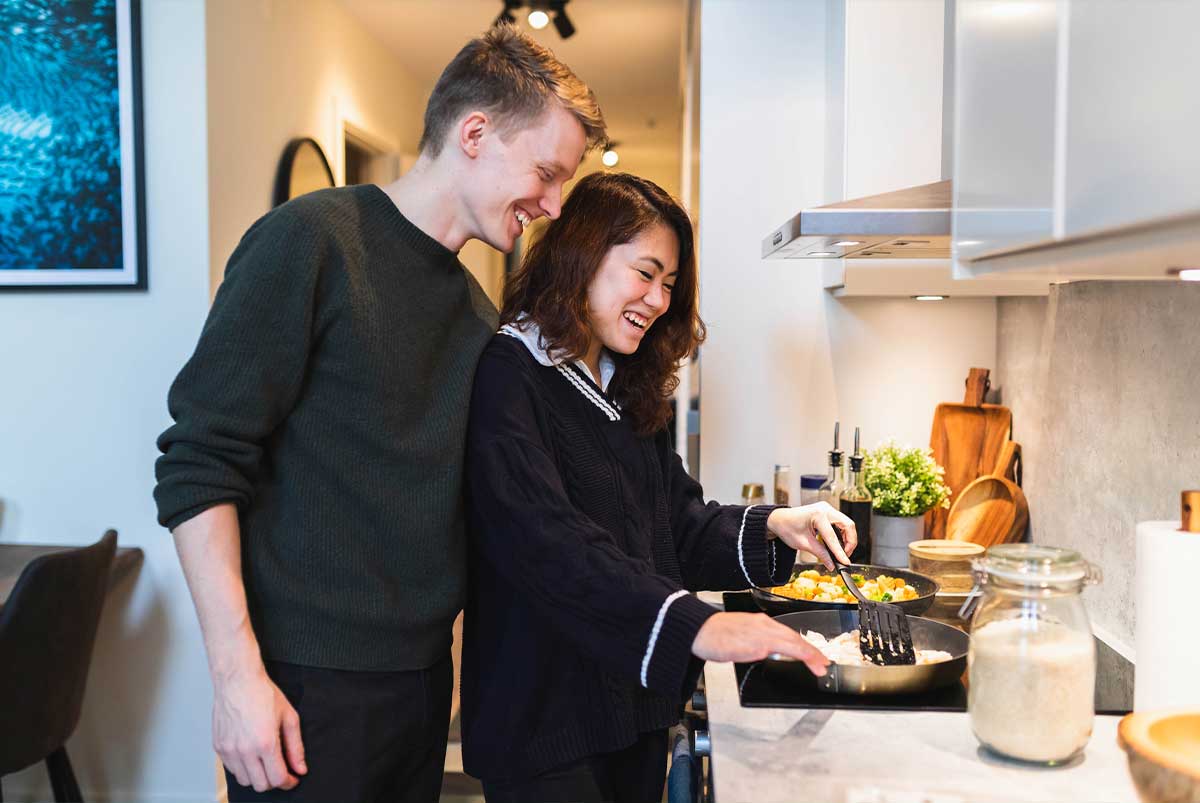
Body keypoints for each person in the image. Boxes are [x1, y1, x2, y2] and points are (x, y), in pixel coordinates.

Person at [153, 25, 606, 803]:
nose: (554, 203)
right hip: (304, 687)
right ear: (474, 133)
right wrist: (236, 681)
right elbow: (197, 463)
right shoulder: (311, 243)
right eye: (546, 172)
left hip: (424, 686)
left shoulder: (472, 311)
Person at [461, 171, 857, 802]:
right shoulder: (513, 375)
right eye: (645, 273)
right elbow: (548, 547)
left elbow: (675, 522)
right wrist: (693, 627)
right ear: (582, 256)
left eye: (669, 284)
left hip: (630, 710)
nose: (659, 299)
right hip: (545, 727)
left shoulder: (620, 384)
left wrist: (778, 526)